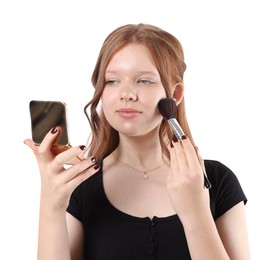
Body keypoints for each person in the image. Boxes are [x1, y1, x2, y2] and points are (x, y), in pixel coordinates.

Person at [24, 23, 250, 260]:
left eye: (144, 81)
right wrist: (51, 205)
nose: (126, 94)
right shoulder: (81, 188)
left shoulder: (217, 181)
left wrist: (195, 210)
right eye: (112, 81)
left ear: (175, 95)